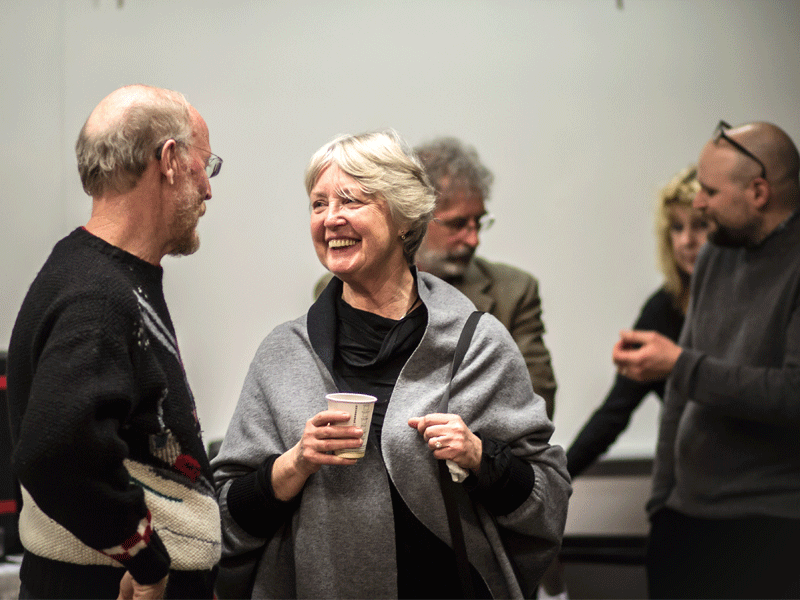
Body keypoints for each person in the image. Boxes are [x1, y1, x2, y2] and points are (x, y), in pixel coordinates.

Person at [213, 129, 570, 599]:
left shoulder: (477, 343)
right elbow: (225, 516)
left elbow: (548, 499)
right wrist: (294, 464)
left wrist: (480, 458)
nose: (331, 218)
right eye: (318, 204)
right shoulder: (283, 353)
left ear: (403, 218)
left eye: (350, 200)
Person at [6, 85, 223, 599]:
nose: (208, 190)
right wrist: (146, 560)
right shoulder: (96, 295)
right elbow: (54, 452)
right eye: (205, 166)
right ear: (169, 161)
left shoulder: (96, 273)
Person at [613, 121, 800, 599]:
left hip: (772, 525)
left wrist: (680, 365)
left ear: (759, 192)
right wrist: (661, 504)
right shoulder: (716, 252)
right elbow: (680, 393)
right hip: (684, 521)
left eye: (710, 191)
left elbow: (791, 393)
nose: (698, 203)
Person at [316, 136, 558, 419]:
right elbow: (327, 392)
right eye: (458, 224)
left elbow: (536, 403)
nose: (473, 239)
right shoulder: (339, 290)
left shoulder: (513, 292)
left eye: (478, 222)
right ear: (413, 218)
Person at [566, 166, 710, 478]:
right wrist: (554, 478)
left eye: (700, 225)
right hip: (687, 474)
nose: (687, 240)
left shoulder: (746, 301)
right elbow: (614, 412)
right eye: (677, 227)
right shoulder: (662, 309)